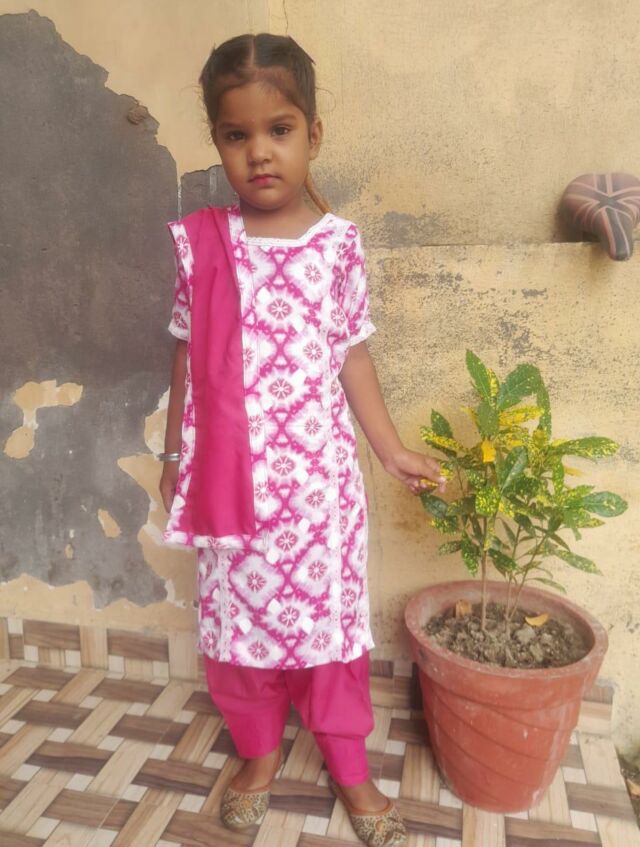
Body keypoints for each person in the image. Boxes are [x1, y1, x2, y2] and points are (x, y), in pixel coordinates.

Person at [159, 32, 445, 847]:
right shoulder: (202, 244)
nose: (259, 152)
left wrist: (390, 449)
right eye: (237, 134)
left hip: (320, 496)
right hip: (229, 491)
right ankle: (257, 756)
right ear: (217, 140)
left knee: (329, 638)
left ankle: (349, 766)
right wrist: (174, 458)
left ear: (312, 134)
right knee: (238, 638)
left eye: (278, 129)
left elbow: (352, 354)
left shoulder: (337, 246)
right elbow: (186, 352)